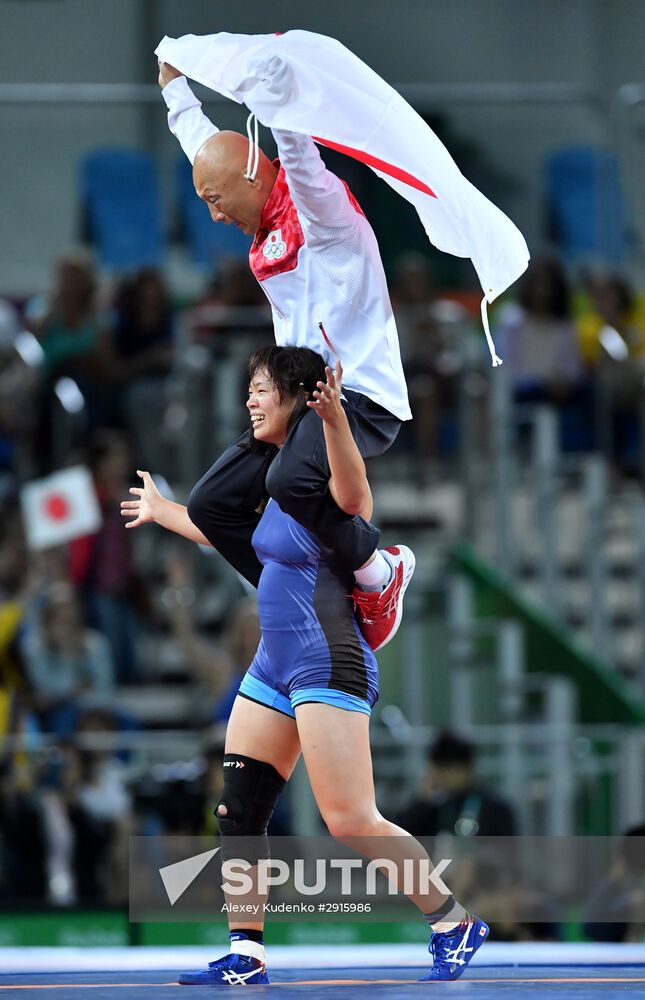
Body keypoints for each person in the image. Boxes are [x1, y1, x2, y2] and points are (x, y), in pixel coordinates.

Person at [122, 345, 488, 985]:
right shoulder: (274, 480)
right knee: (238, 810)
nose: (250, 400)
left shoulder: (318, 478)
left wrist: (337, 420)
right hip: (273, 662)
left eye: (261, 388)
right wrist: (162, 513)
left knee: (350, 819)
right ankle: (247, 953)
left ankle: (453, 921)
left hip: (326, 660)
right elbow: (226, 532)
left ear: (295, 394)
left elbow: (355, 499)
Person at [157, 60, 414, 652]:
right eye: (206, 203)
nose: (215, 215)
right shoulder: (250, 199)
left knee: (289, 479)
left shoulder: (323, 215)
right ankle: (305, 594)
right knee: (213, 504)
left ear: (252, 178)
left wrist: (277, 98)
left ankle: (379, 572)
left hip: (359, 394)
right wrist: (176, 87)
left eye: (217, 201)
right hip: (301, 400)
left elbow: (293, 157)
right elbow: (211, 151)